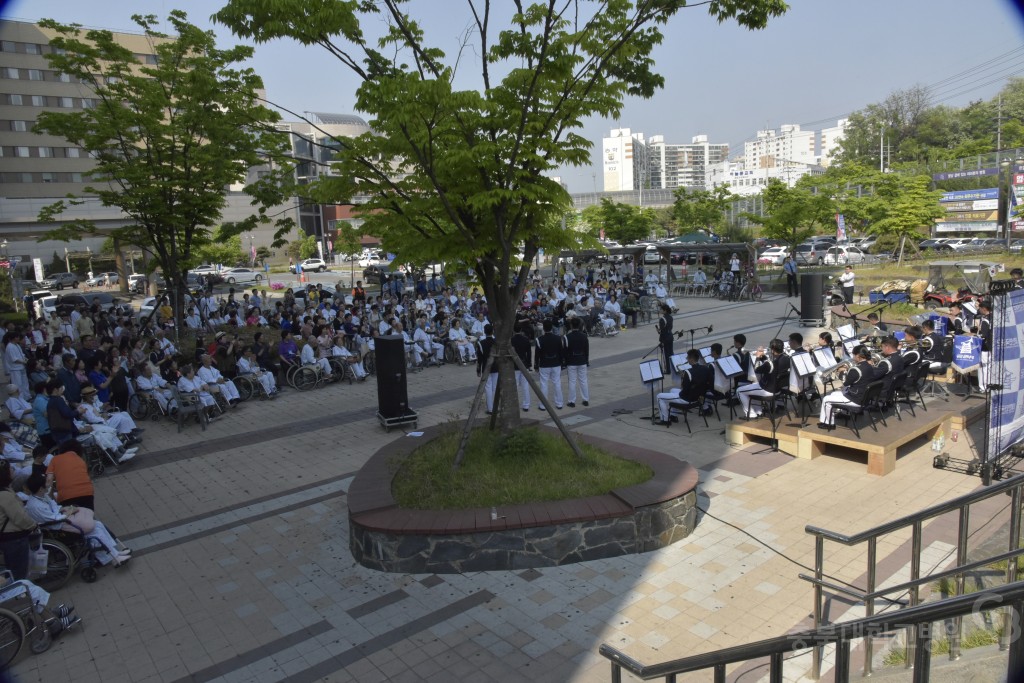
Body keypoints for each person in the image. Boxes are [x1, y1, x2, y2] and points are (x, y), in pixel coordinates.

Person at [20, 472, 131, 567]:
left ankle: (114, 553)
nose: (47, 485)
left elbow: (53, 506)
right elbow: (52, 519)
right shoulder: (35, 506)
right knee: (94, 532)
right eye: (45, 484)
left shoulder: (42, 496)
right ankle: (113, 558)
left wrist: (62, 509)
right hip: (58, 528)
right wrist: (68, 513)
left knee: (98, 524)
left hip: (61, 520)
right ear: (40, 488)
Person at [818, 345, 876, 429]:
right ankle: (836, 416)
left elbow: (845, 383)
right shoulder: (869, 366)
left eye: (853, 355)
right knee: (833, 394)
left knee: (826, 399)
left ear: (858, 356)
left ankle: (829, 424)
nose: (852, 357)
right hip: (863, 397)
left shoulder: (855, 370)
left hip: (855, 400)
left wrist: (842, 371)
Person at [0, 460, 38, 579]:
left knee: (13, 569)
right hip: (14, 537)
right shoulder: (4, 495)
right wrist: (33, 525)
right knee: (18, 572)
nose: (12, 470)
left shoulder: (5, 491)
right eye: (10, 469)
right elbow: (19, 517)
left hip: (8, 537)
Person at [736, 339, 791, 419]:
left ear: (772, 349)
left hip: (768, 390)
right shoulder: (787, 358)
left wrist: (758, 357)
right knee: (753, 388)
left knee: (739, 391)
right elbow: (768, 366)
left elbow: (757, 370)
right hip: (778, 390)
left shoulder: (770, 363)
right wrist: (764, 356)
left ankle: (751, 415)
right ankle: (759, 411)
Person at [656, 349, 712, 424]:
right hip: (699, 398)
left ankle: (665, 420)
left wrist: (684, 379)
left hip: (688, 399)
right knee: (672, 390)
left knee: (659, 396)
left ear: (691, 359)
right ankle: (673, 415)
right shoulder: (706, 368)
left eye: (687, 358)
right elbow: (708, 383)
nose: (687, 360)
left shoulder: (688, 372)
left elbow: (684, 390)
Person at [45, 439, 97, 510]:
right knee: (88, 516)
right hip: (87, 492)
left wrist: (50, 498)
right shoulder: (81, 460)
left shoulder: (55, 459)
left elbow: (49, 480)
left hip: (66, 495)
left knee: (71, 518)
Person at [534, 319, 564, 410]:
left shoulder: (539, 340)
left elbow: (537, 354)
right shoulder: (558, 338)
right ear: (551, 328)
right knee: (557, 383)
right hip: (556, 363)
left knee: (544, 384)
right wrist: (561, 363)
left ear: (543, 328)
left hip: (544, 364)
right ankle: (559, 404)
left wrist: (536, 365)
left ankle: (543, 405)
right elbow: (561, 352)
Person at [564, 318, 590, 408]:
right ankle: (585, 399)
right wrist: (586, 360)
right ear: (579, 325)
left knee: (572, 381)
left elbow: (565, 351)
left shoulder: (567, 337)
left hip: (571, 361)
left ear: (571, 325)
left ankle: (572, 401)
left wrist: (565, 361)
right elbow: (586, 350)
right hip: (582, 360)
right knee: (583, 380)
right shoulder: (584, 336)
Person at [475, 324, 500, 414]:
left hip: (486, 368)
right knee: (495, 387)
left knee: (488, 388)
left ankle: (490, 409)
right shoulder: (497, 342)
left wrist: (478, 370)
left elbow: (479, 359)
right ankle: (496, 407)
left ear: (484, 332)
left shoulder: (481, 343)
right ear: (492, 331)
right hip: (496, 367)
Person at [510, 323, 533, 411]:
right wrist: (529, 364)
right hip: (524, 364)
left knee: (514, 385)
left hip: (514, 365)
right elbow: (529, 353)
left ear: (513, 330)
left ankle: (514, 404)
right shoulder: (525, 339)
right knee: (525, 385)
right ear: (521, 330)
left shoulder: (511, 340)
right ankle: (526, 405)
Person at [657, 303, 674, 376]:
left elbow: (662, 331)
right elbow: (670, 327)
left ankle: (668, 370)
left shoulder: (662, 319)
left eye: (661, 309)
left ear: (665, 311)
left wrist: (662, 341)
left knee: (666, 354)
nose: (660, 310)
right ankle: (673, 367)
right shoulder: (670, 317)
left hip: (665, 337)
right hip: (670, 335)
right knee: (671, 352)